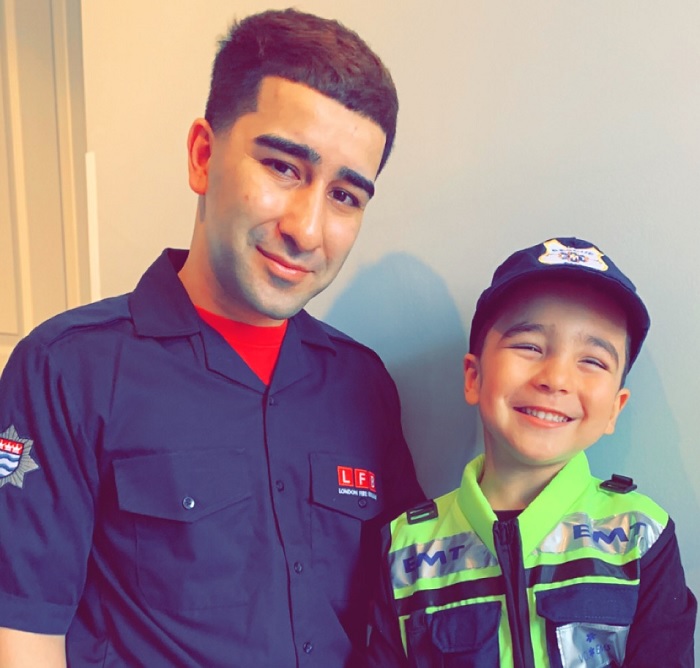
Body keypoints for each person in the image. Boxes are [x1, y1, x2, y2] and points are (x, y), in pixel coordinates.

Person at [0, 9, 423, 667]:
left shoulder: (363, 386)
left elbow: (402, 611)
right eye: (284, 166)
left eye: (345, 196)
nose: (307, 229)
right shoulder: (65, 370)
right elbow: (23, 632)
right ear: (203, 155)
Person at [368, 237, 697, 667]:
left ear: (615, 408)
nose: (556, 378)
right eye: (529, 346)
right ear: (473, 377)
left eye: (593, 360)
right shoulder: (406, 551)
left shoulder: (640, 536)